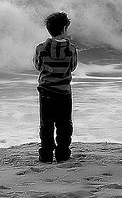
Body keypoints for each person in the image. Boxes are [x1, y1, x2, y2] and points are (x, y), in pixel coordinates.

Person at [33, 12, 77, 163]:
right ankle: (62, 154)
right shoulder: (71, 49)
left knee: (46, 125)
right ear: (64, 29)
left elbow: (38, 66)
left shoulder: (41, 48)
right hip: (64, 92)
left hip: (45, 91)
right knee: (64, 124)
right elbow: (72, 67)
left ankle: (45, 155)